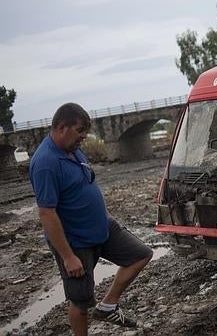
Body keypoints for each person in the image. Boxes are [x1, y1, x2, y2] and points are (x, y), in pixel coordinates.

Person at [29, 103, 152, 335]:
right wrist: (68, 257)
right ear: (61, 127)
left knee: (140, 255)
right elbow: (46, 213)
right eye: (80, 130)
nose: (84, 136)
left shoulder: (74, 149)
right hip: (76, 241)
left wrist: (104, 215)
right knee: (81, 302)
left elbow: (87, 183)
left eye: (86, 130)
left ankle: (108, 306)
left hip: (102, 227)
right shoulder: (45, 163)